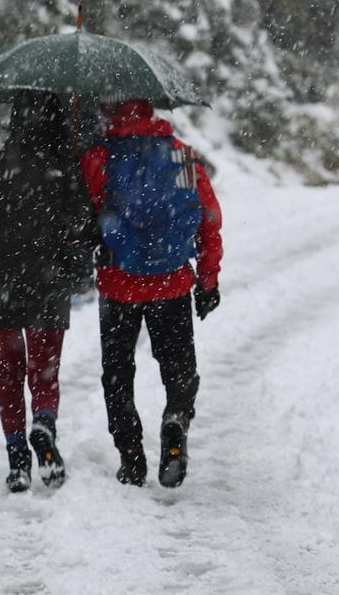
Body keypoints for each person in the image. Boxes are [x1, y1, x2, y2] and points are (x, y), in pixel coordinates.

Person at [0, 91, 95, 493]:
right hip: (48, 284)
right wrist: (80, 270)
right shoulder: (64, 169)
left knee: (9, 372)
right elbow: (82, 227)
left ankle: (17, 459)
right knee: (44, 371)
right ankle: (43, 423)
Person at [80, 99, 223, 488]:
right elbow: (209, 220)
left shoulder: (98, 158)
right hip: (171, 281)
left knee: (118, 374)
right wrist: (208, 280)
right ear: (152, 111)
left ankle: (131, 456)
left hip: (118, 285)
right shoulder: (182, 156)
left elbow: (86, 214)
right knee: (179, 368)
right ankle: (176, 420)